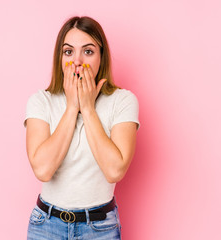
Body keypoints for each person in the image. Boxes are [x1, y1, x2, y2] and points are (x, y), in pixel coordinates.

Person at [23, 16, 140, 240]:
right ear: (60, 57)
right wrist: (72, 107)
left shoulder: (123, 101)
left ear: (101, 57)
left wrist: (87, 108)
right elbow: (43, 170)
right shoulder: (41, 101)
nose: (77, 61)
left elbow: (115, 170)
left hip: (99, 229)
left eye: (88, 51)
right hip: (46, 226)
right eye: (69, 52)